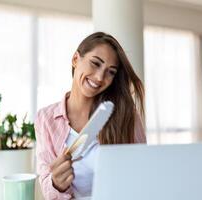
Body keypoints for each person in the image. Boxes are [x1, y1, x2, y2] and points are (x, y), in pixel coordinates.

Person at [35, 32, 146, 200]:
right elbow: (47, 189)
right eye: (95, 63)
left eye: (111, 72)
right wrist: (56, 184)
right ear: (75, 59)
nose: (100, 77)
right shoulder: (46, 119)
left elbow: (143, 173)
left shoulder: (126, 115)